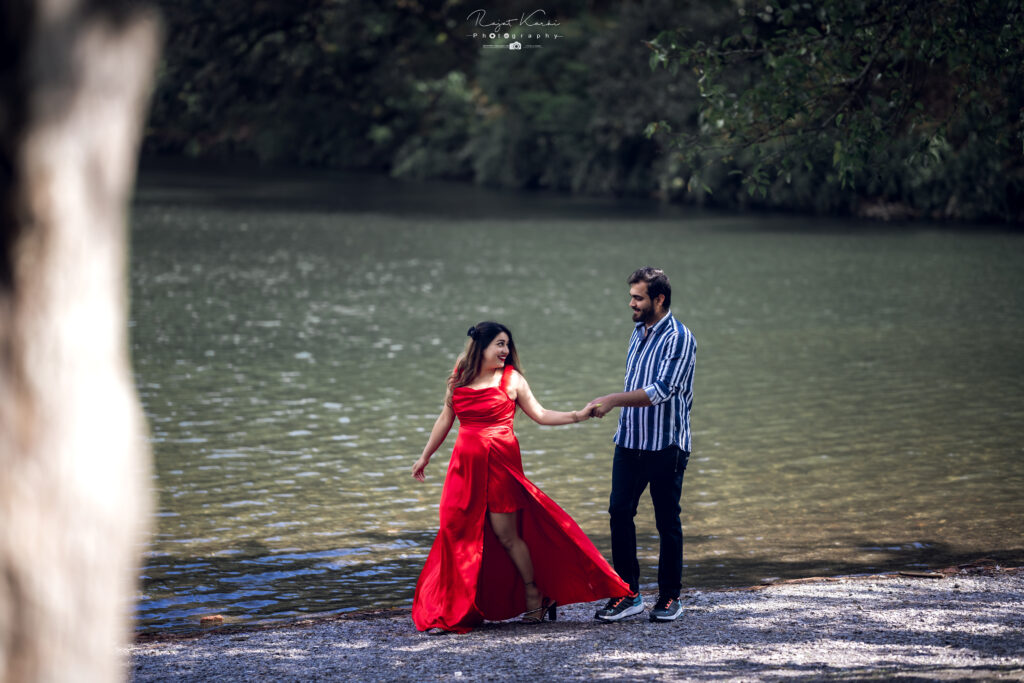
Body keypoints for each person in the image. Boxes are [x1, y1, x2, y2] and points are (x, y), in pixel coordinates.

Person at [411, 322, 630, 633]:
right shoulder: (460, 374)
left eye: (507, 345)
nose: (505, 351)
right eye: (499, 344)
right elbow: (446, 417)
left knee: (506, 535)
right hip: (464, 468)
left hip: (500, 465)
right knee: (454, 529)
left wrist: (577, 415)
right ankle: (453, 608)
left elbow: (539, 415)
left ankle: (534, 594)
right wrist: (425, 455)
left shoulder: (512, 380)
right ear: (481, 347)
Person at [589, 267, 697, 623]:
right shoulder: (638, 331)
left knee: (667, 521)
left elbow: (659, 392)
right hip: (630, 441)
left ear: (659, 299)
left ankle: (669, 598)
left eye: (638, 297)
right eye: (632, 296)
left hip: (666, 445)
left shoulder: (680, 339)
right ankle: (628, 594)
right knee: (619, 513)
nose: (631, 303)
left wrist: (612, 399)